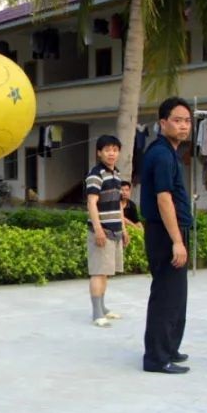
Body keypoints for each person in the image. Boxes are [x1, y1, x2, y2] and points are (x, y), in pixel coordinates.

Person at [140, 97, 193, 374]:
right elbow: (163, 199)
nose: (183, 126)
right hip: (164, 234)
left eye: (187, 121)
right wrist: (177, 241)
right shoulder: (161, 154)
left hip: (172, 231)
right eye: (177, 120)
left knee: (176, 296)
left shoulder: (170, 152)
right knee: (165, 296)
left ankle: (170, 348)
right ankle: (157, 359)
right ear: (163, 123)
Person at [85, 135, 129, 327]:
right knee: (97, 271)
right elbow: (91, 203)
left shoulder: (117, 174)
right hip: (101, 231)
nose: (112, 153)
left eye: (115, 150)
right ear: (99, 153)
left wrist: (124, 229)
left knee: (105, 272)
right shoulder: (96, 174)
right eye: (107, 150)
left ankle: (103, 308)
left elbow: (119, 205)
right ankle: (96, 314)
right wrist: (98, 230)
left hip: (115, 231)